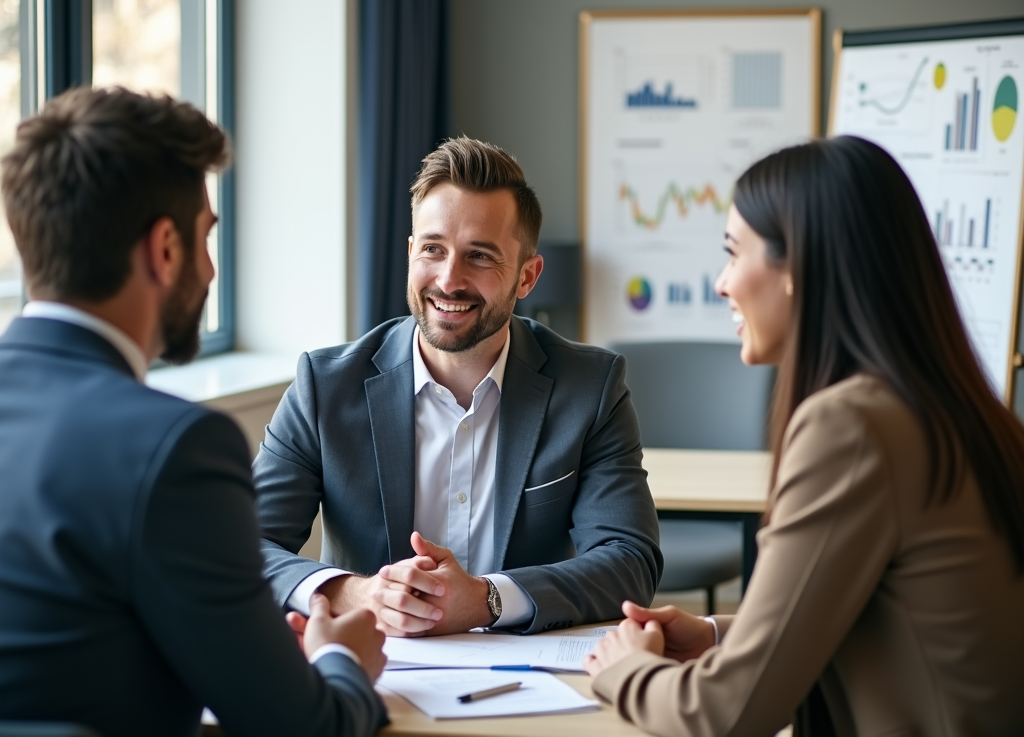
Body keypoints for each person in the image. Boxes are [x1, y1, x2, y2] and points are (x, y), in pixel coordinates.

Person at [583, 136, 1024, 735]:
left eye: (734, 253)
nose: (721, 282)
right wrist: (718, 634)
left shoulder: (852, 426)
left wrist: (624, 672)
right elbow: (875, 621)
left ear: (799, 268)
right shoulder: (942, 403)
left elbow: (728, 713)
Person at [0, 87, 388, 737]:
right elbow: (301, 728)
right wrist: (343, 661)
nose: (210, 269)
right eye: (205, 239)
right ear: (165, 250)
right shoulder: (175, 447)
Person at [254, 137, 662, 636]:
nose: (449, 280)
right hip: (371, 670)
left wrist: (488, 599)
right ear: (410, 254)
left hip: (525, 678)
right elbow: (243, 547)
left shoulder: (591, 388)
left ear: (527, 277)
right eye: (432, 249)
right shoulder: (325, 386)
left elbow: (630, 560)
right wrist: (358, 593)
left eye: (480, 256)